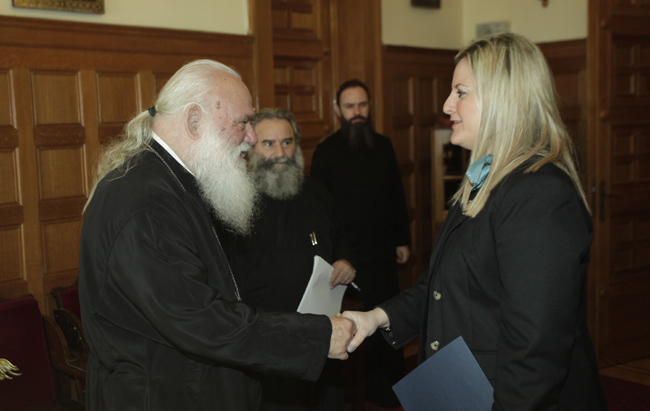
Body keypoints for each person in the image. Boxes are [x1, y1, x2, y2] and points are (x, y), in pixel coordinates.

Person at [342, 33, 608, 410]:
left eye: (461, 92)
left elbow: (535, 351)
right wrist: (375, 318)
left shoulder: (540, 194)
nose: (447, 105)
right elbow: (444, 284)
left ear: (504, 99)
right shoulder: (486, 176)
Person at [78, 59, 356, 411]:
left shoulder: (171, 182)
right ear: (194, 121)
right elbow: (200, 320)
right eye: (243, 123)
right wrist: (318, 337)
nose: (251, 138)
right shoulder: (146, 204)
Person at [226, 107, 356, 410]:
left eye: (287, 142)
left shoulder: (316, 192)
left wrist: (345, 261)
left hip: (320, 332)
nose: (280, 153)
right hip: (268, 339)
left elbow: (340, 238)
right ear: (251, 147)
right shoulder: (234, 201)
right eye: (268, 144)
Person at [310, 79, 411, 408]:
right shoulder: (326, 151)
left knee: (388, 320)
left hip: (381, 252)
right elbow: (319, 211)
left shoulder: (383, 145)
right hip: (346, 258)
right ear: (338, 110)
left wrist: (402, 240)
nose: (357, 112)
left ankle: (390, 394)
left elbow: (396, 196)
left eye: (362, 105)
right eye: (350, 106)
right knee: (350, 329)